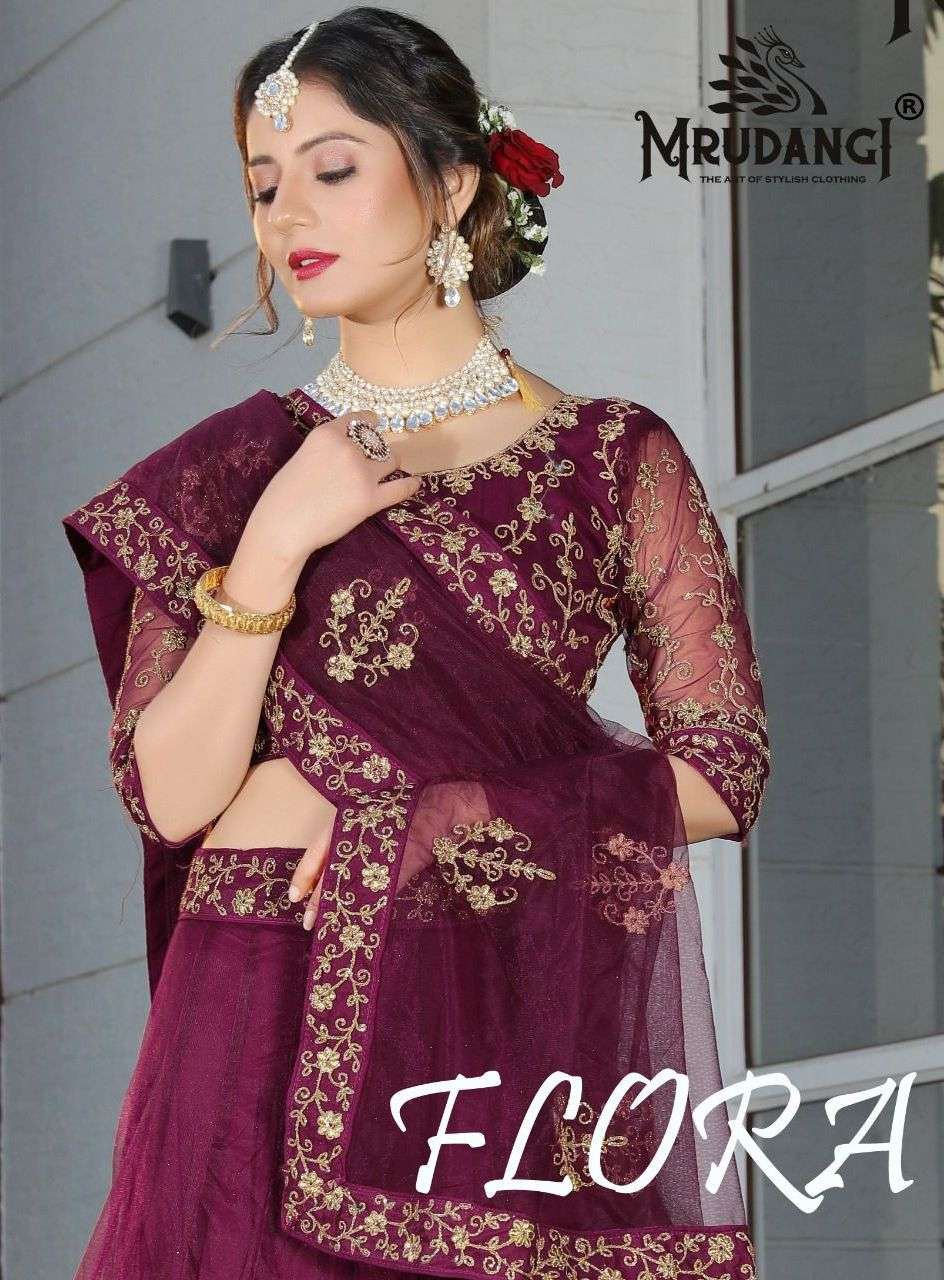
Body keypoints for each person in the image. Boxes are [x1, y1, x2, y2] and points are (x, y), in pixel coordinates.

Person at [61, 9, 771, 1279]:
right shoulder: (228, 471)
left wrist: (434, 819)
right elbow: (170, 796)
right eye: (263, 185)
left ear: (450, 183)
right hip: (256, 998)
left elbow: (722, 769)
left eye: (331, 168)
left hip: (494, 996)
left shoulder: (612, 461)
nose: (286, 215)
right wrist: (274, 543)